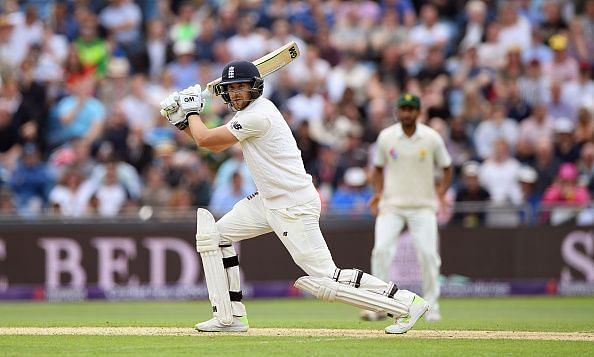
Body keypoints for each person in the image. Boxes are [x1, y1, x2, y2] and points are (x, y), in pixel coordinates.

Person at [159, 61, 429, 334]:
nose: (237, 93)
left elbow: (206, 140)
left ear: (255, 88)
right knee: (215, 238)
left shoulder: (257, 116)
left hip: (292, 206)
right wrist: (183, 120)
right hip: (268, 201)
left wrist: (191, 110)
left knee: (327, 278)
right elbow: (213, 144)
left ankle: (407, 303)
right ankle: (230, 317)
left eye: (242, 87)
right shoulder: (248, 115)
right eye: (232, 89)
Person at [365, 93, 452, 323]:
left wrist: (441, 193)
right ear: (398, 111)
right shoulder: (386, 137)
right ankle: (378, 306)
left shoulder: (431, 138)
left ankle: (431, 306)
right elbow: (378, 169)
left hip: (423, 206)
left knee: (428, 255)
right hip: (391, 205)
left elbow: (447, 167)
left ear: (418, 112)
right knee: (381, 251)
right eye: (403, 109)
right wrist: (377, 193)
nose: (406, 113)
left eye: (410, 109)